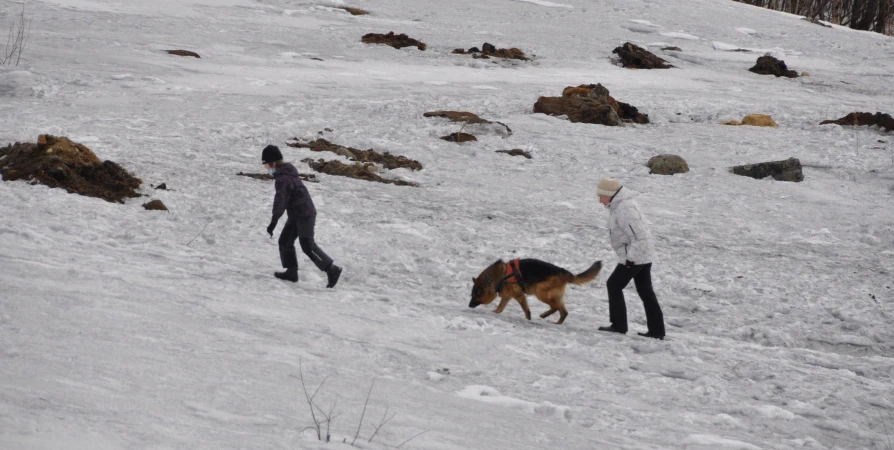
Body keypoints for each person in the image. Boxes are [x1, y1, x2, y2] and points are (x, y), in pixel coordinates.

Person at [262, 144, 342, 288]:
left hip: (305, 214)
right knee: (285, 241)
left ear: (273, 163)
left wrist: (274, 220)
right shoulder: (285, 173)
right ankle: (291, 272)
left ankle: (332, 269)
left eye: (267, 164)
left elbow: (280, 200)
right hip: (296, 214)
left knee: (307, 245)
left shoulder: (283, 178)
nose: (266, 168)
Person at [595, 178, 665, 340]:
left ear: (609, 194)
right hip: (641, 255)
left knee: (614, 285)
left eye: (601, 196)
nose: (599, 200)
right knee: (645, 291)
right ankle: (656, 330)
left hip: (636, 256)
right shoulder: (620, 206)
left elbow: (641, 236)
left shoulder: (624, 209)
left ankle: (619, 325)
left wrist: (630, 259)